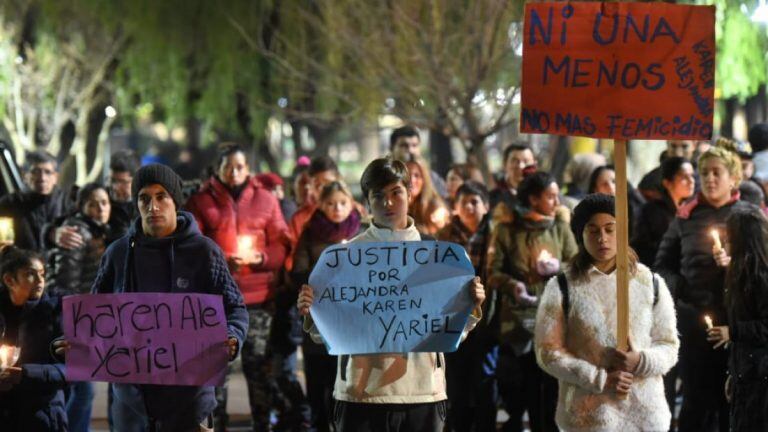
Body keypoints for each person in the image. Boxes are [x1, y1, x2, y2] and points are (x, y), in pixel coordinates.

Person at [297, 157, 485, 432]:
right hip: (360, 393)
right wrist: (312, 311)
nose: (388, 203)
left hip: (422, 391)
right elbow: (327, 334)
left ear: (410, 193)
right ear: (367, 201)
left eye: (396, 193)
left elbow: (451, 332)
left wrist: (470, 305)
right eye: (378, 196)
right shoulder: (344, 259)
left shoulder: (438, 255)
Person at [60, 163, 250, 431]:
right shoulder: (118, 253)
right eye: (144, 198)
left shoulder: (205, 253)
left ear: (175, 201)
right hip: (131, 404)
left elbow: (235, 308)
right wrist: (75, 342)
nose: (153, 206)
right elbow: (97, 316)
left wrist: (233, 335)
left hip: (189, 401)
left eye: (162, 196)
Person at [185, 145, 307, 431]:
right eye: (229, 166)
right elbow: (192, 244)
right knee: (216, 373)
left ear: (248, 169)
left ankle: (262, 424)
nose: (235, 172)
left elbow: (281, 243)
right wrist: (221, 260)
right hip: (215, 302)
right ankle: (218, 425)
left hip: (258, 299)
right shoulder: (202, 201)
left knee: (259, 370)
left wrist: (261, 258)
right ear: (218, 169)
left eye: (240, 166)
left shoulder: (265, 199)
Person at [535, 193, 679, 431]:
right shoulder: (563, 287)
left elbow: (669, 345)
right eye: (593, 230)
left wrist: (640, 360)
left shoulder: (650, 283)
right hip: (588, 417)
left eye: (610, 229)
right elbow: (548, 352)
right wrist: (599, 378)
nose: (602, 238)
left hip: (645, 415)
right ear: (581, 235)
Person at [655, 141, 752, 432]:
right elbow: (662, 267)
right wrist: (683, 293)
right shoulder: (686, 217)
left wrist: (735, 263)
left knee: (733, 399)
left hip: (736, 322)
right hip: (693, 322)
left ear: (733, 178)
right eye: (704, 173)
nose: (709, 179)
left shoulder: (750, 217)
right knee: (696, 400)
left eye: (716, 173)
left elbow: (762, 270)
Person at [489, 171, 577, 432]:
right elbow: (492, 272)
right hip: (517, 324)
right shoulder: (506, 230)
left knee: (549, 394)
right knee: (518, 392)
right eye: (550, 196)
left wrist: (557, 267)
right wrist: (512, 285)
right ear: (533, 198)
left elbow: (576, 265)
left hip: (554, 321)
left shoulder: (560, 228)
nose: (556, 201)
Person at [291, 181, 362, 432]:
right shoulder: (310, 232)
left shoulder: (361, 232)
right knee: (318, 379)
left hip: (352, 318)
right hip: (319, 317)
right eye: (330, 204)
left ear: (351, 203)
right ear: (321, 205)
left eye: (342, 203)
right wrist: (326, 275)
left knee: (343, 381)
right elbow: (298, 271)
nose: (337, 209)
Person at [46, 183, 116, 431]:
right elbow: (66, 285)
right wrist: (77, 328)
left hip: (85, 319)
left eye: (104, 203)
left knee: (80, 388)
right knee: (82, 389)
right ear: (82, 206)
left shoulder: (97, 231)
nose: (100, 208)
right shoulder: (78, 232)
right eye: (93, 203)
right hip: (74, 320)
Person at [436, 181, 497, 432]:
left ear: (486, 205)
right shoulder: (444, 237)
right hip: (453, 319)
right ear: (455, 208)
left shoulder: (497, 234)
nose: (470, 207)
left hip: (487, 320)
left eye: (475, 201)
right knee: (457, 382)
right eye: (464, 203)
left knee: (485, 381)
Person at [705, 206, 768, 431]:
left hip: (761, 379)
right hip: (746, 374)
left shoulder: (760, 276)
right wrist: (734, 374)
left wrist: (732, 332)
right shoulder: (738, 272)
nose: (725, 241)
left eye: (729, 237)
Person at [0, 246, 67, 431]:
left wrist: (24, 374)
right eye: (30, 274)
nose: (40, 281)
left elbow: (71, 370)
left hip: (43, 414)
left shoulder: (56, 312)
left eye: (42, 274)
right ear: (9, 280)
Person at [0, 151, 71, 252]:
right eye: (36, 172)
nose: (42, 178)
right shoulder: (10, 203)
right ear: (25, 175)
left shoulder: (68, 202)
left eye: (47, 172)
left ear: (55, 177)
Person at [632, 157, 696, 267]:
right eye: (684, 177)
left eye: (692, 175)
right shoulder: (651, 211)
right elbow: (643, 248)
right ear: (667, 183)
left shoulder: (693, 208)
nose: (691, 181)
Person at [390, 125, 448, 198]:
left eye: (414, 145)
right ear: (392, 148)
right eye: (404, 145)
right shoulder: (383, 177)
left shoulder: (433, 178)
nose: (411, 150)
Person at [405, 156, 450, 235]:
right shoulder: (394, 203)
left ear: (424, 179)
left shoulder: (434, 207)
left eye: (417, 175)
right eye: (407, 175)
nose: (412, 180)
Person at [490, 144, 536, 215]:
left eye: (526, 161)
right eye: (515, 161)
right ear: (504, 165)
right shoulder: (492, 198)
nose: (521, 166)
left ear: (535, 164)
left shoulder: (545, 193)